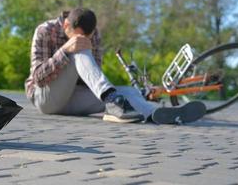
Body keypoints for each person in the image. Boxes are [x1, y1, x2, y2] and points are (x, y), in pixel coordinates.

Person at [24, 7, 206, 124]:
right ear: (65, 25)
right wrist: (65, 50)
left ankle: (157, 113)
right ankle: (111, 99)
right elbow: (39, 78)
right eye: (76, 36)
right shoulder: (44, 31)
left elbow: (92, 77)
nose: (83, 40)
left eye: (87, 37)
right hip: (45, 99)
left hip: (75, 99)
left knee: (129, 92)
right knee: (78, 52)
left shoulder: (94, 36)